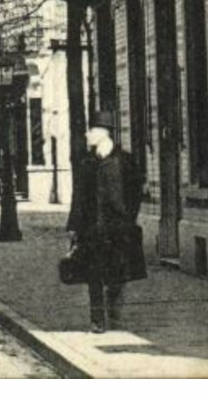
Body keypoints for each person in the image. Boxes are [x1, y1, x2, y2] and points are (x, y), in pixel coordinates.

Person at [66, 111, 145, 333]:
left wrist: (129, 218)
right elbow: (78, 196)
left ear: (102, 133)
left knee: (117, 275)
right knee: (94, 276)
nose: (87, 134)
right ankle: (98, 319)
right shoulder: (87, 162)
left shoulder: (124, 161)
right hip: (92, 229)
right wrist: (73, 226)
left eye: (91, 130)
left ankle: (113, 309)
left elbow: (135, 192)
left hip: (117, 229)